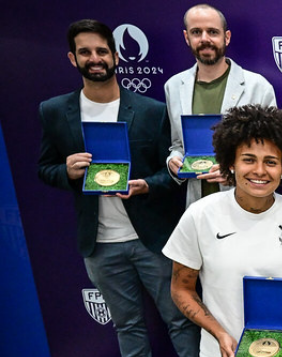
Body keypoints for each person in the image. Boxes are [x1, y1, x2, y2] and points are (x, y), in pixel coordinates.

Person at [36, 19, 198, 357]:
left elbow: (172, 173)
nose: (94, 58)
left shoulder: (151, 111)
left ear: (116, 56)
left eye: (101, 51)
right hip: (100, 245)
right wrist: (66, 171)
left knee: (180, 320)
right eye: (85, 52)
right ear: (72, 59)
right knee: (127, 325)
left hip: (154, 240)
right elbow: (44, 169)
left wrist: (145, 187)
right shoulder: (53, 112)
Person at [163, 105, 282, 357]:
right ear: (230, 163)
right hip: (223, 351)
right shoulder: (200, 215)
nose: (259, 171)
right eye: (248, 159)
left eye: (271, 162)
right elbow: (181, 288)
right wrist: (219, 333)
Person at [164, 4, 277, 207]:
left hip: (247, 200)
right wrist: (174, 160)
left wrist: (235, 171)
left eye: (212, 32)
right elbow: (177, 144)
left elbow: (272, 149)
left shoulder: (257, 86)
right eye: (196, 32)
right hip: (198, 205)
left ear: (226, 37)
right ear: (186, 37)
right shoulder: (173, 87)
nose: (205, 39)